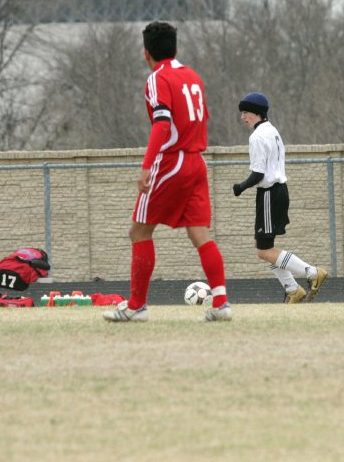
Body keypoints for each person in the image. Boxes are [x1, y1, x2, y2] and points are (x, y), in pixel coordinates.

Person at [103, 21, 232, 323]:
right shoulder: (193, 76)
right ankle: (222, 302)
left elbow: (162, 124)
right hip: (197, 161)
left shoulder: (157, 78)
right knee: (200, 233)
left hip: (172, 160)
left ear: (146, 52)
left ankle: (136, 307)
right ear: (175, 47)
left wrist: (147, 166)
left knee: (139, 230)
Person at [232, 92, 329, 303]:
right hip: (278, 191)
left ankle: (312, 273)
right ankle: (292, 289)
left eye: (245, 112)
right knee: (263, 247)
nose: (242, 117)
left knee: (264, 250)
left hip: (269, 193)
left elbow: (258, 174)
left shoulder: (257, 137)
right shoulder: (272, 130)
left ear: (256, 113)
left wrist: (240, 187)